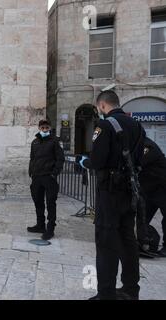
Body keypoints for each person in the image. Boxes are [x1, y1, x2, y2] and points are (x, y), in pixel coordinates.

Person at [78, 90, 145, 300]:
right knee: (128, 240)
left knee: (107, 242)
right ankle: (130, 289)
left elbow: (97, 161)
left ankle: (106, 294)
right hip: (129, 192)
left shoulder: (104, 126)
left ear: (102, 106)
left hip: (109, 193)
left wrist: (84, 162)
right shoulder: (137, 126)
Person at [27, 119, 65, 240]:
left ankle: (50, 229)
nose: (44, 130)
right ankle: (40, 225)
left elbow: (60, 159)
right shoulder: (35, 142)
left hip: (49, 177)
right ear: (39, 128)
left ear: (49, 128)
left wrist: (54, 174)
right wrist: (31, 172)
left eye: (46, 128)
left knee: (50, 203)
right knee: (38, 201)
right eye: (42, 128)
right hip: (37, 177)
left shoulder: (55, 141)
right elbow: (32, 158)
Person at [139, 136, 166, 257]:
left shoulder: (147, 146)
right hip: (149, 189)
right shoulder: (137, 145)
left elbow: (139, 162)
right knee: (142, 217)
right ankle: (142, 242)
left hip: (162, 187)